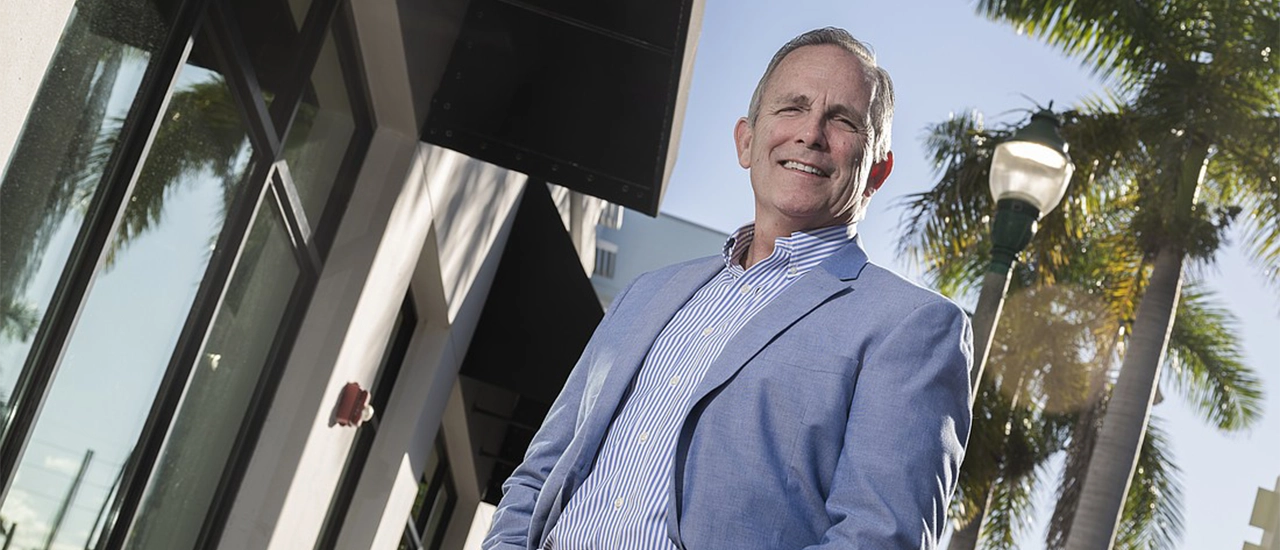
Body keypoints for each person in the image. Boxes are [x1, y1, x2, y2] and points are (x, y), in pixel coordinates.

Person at [483, 27, 972, 550]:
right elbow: (541, 470)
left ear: (877, 169)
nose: (811, 134)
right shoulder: (648, 292)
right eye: (792, 108)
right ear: (746, 139)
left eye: (844, 120)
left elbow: (877, 537)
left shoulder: (914, 329)